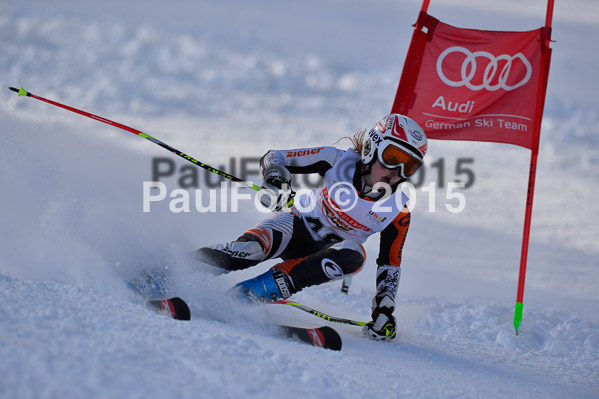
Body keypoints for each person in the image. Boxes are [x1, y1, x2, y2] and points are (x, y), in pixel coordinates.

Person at [197, 114, 427, 341]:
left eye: (409, 166)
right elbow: (274, 157)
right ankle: (176, 268)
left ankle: (244, 297)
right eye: (392, 157)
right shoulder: (336, 160)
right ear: (372, 148)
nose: (397, 171)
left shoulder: (397, 210)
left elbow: (390, 265)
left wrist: (384, 311)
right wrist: (276, 179)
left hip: (325, 255)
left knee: (355, 256)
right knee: (248, 251)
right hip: (295, 225)